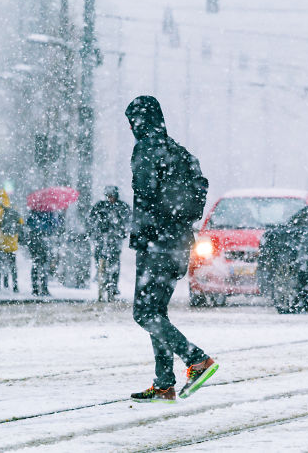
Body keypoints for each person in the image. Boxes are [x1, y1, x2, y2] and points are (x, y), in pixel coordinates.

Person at [126, 95, 218, 402]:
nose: (131, 128)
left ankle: (197, 359)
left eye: (132, 122)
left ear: (140, 121)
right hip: (179, 243)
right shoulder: (179, 151)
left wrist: (141, 235)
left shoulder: (145, 150)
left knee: (143, 312)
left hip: (156, 243)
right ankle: (164, 383)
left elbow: (144, 196)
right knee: (157, 311)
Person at [87, 186, 131, 301]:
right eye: (109, 196)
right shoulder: (100, 206)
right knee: (100, 262)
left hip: (115, 241)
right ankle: (102, 282)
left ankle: (113, 286)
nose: (110, 198)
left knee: (114, 265)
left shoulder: (122, 207)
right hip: (101, 240)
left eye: (112, 196)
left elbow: (128, 222)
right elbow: (91, 220)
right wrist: (95, 232)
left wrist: (122, 232)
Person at [0, 189, 23, 293]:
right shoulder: (12, 210)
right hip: (12, 243)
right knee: (12, 266)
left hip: (0, 242)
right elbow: (21, 222)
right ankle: (15, 286)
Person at [24, 209, 64, 296]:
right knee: (44, 265)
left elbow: (28, 224)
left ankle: (35, 288)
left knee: (35, 264)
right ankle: (44, 287)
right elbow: (55, 225)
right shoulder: (49, 214)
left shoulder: (33, 213)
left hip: (34, 241)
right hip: (44, 240)